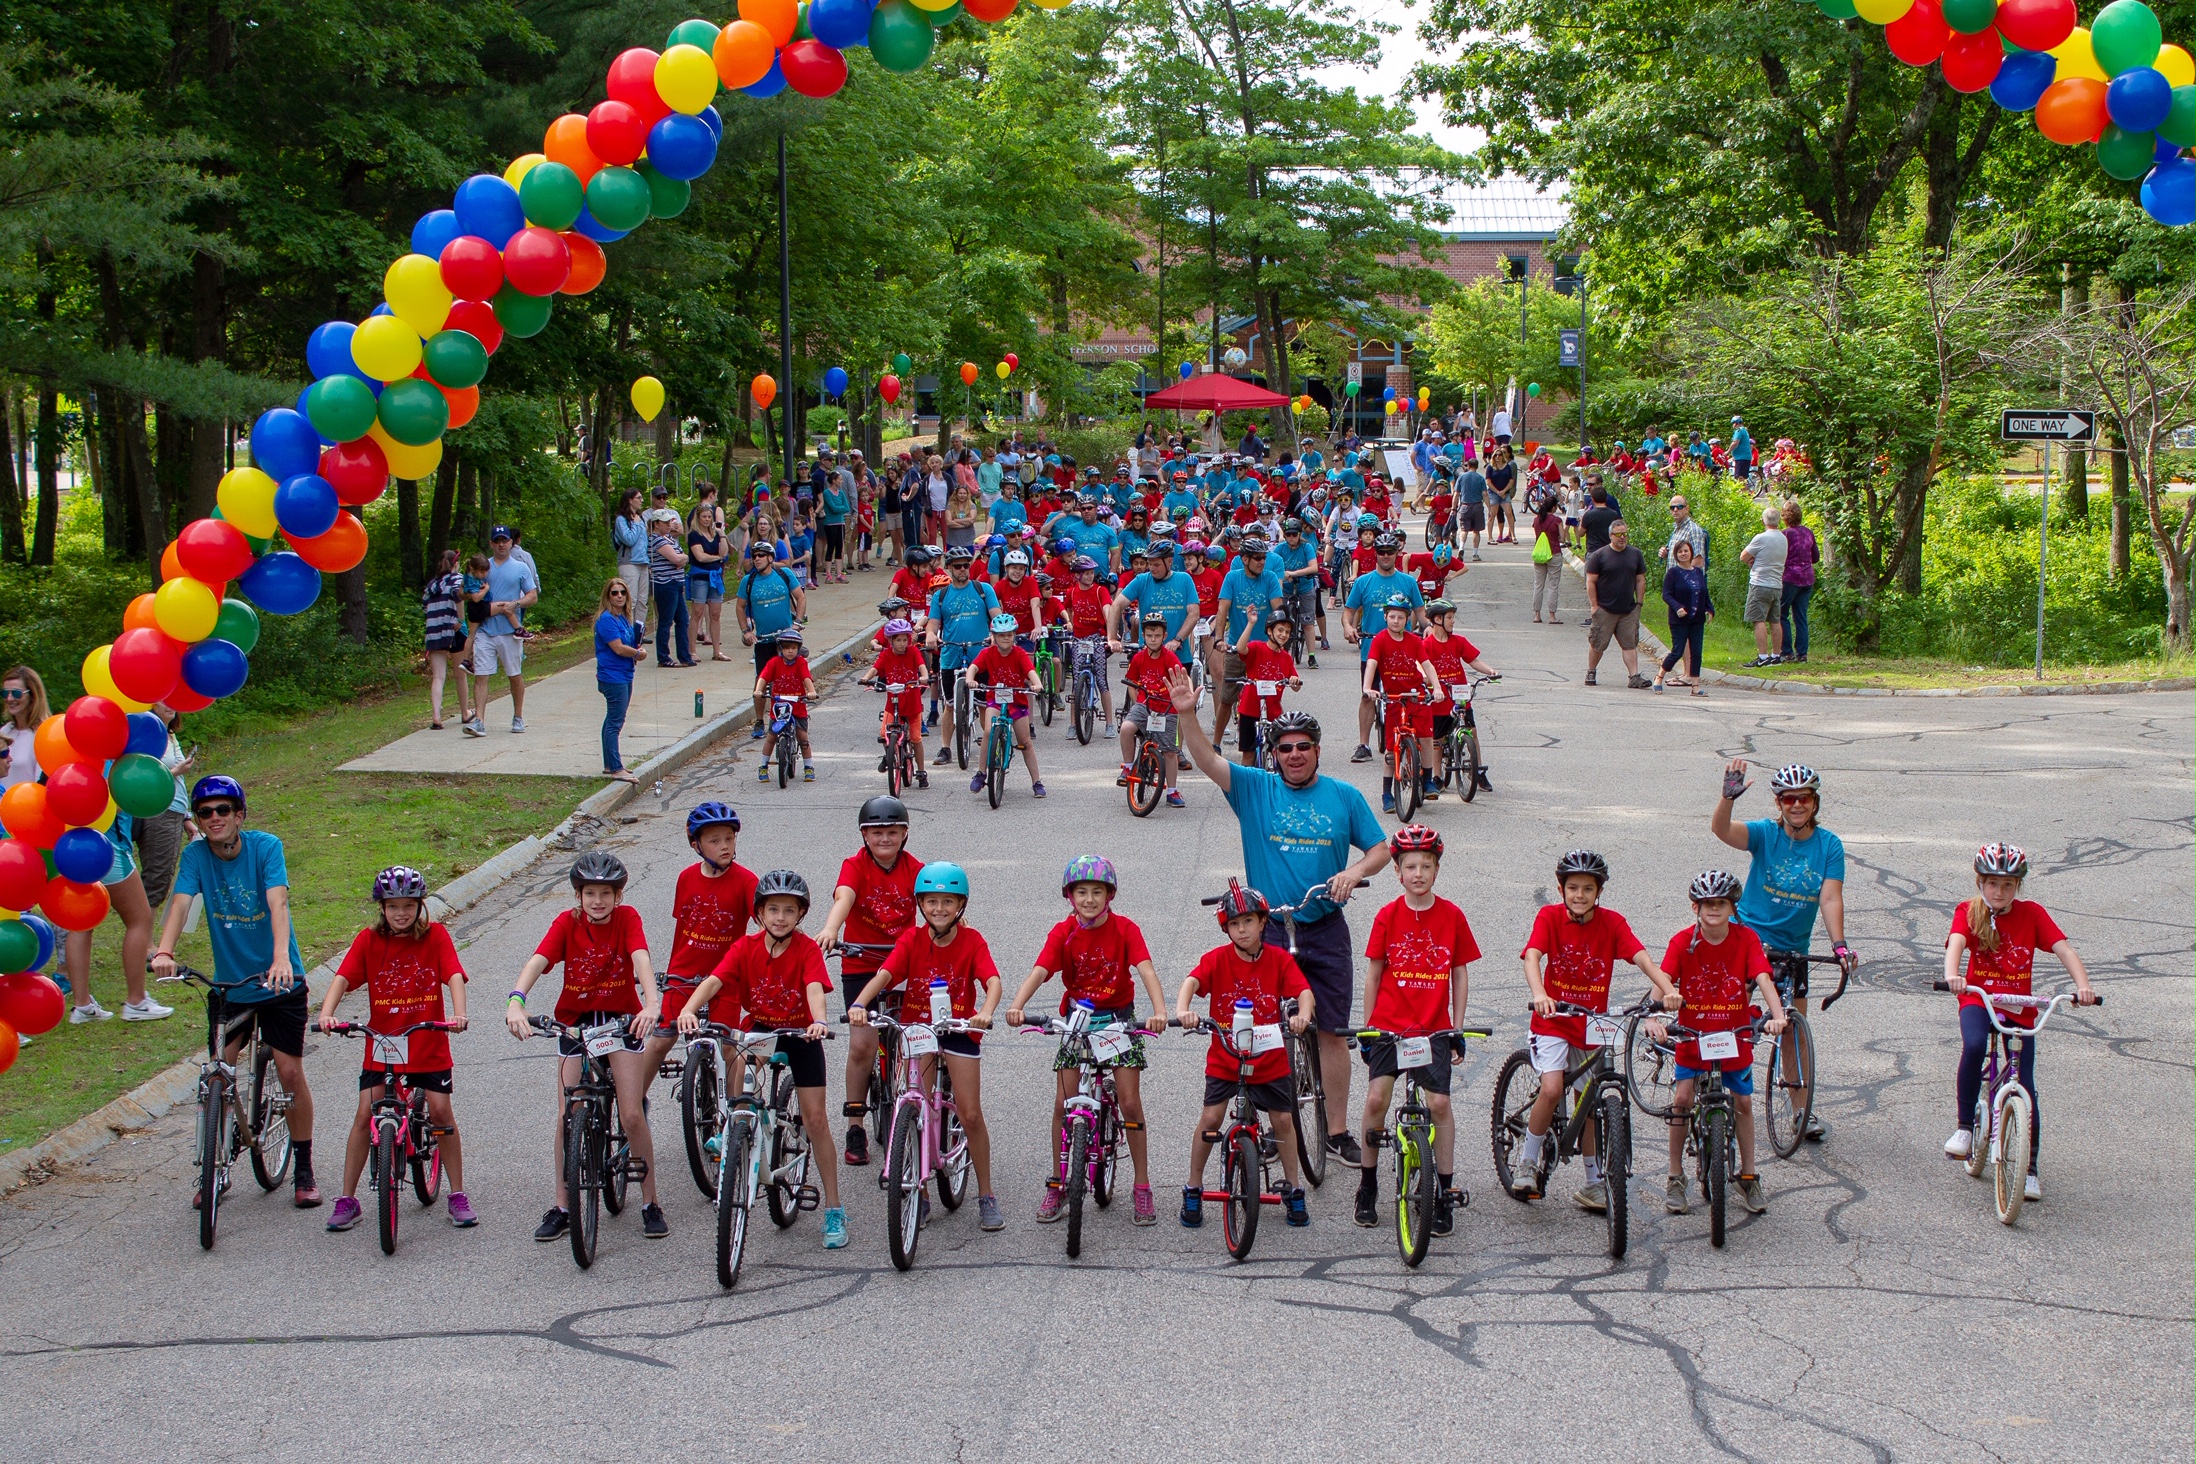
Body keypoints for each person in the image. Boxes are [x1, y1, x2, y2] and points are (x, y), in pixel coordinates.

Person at [1167, 681, 1390, 1166]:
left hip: (1325, 926)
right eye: (1285, 748)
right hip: (1267, 932)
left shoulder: (1344, 795)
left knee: (1331, 1031)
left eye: (1303, 748)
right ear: (1274, 754)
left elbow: (1381, 849)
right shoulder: (1254, 787)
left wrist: (1354, 873)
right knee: (1266, 1028)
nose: (1294, 756)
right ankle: (1276, 1123)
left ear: (1317, 750)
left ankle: (1334, 1131)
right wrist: (1187, 714)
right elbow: (1206, 760)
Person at [153, 776, 319, 1206]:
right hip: (231, 987)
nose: (214, 819)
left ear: (239, 815)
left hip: (279, 982)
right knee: (217, 1076)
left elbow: (277, 902)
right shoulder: (195, 856)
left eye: (223, 810)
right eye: (205, 812)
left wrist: (282, 958)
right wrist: (165, 950)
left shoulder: (265, 847)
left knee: (288, 1073)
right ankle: (215, 1166)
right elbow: (182, 902)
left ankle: (303, 1167)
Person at [677, 868, 847, 1248]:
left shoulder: (805, 949)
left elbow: (814, 988)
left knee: (816, 1119)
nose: (781, 917)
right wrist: (689, 1009)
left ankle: (834, 1209)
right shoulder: (744, 947)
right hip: (760, 1029)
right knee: (737, 1056)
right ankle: (733, 1124)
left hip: (801, 1034)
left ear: (800, 915)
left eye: (789, 910)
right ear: (759, 914)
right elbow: (714, 982)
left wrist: (818, 1020)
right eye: (773, 909)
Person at [507, 851, 667, 1242]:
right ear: (578, 895)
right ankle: (563, 1205)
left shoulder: (628, 919)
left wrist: (651, 1004)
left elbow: (640, 958)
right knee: (566, 1114)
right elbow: (538, 960)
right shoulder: (567, 922)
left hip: (619, 1019)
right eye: (590, 893)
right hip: (575, 1023)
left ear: (618, 895)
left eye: (606, 893)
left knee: (630, 1114)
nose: (598, 901)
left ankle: (650, 1202)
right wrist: (516, 1000)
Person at [1003, 856, 1169, 1226]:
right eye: (1082, 892)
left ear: (1109, 895)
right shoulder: (1064, 932)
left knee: (1128, 1102)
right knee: (1063, 1102)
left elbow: (1146, 970)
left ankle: (1141, 1185)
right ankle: (1058, 1182)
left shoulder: (1126, 929)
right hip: (1078, 1020)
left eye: (1097, 892)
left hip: (1118, 1021)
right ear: (1070, 896)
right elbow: (1041, 970)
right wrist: (1017, 1006)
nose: (1090, 899)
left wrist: (1158, 1011)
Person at [848, 862, 1007, 1233]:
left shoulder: (972, 941)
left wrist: (984, 1011)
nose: (939, 909)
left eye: (947, 902)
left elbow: (993, 980)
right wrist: (861, 1003)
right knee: (914, 1100)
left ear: (960, 906)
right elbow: (886, 974)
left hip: (957, 1029)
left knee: (969, 1113)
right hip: (918, 1027)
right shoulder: (911, 940)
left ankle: (986, 1193)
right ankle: (917, 1191)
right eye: (931, 901)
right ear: (920, 904)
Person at [317, 866, 475, 1232]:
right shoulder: (369, 941)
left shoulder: (434, 936)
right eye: (392, 906)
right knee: (363, 1115)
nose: (401, 913)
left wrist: (459, 1013)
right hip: (384, 1045)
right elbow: (342, 977)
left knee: (440, 1113)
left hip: (427, 1042)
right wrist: (327, 1014)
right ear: (381, 908)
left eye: (408, 905)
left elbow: (452, 974)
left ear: (420, 906)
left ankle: (457, 1194)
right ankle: (348, 1199)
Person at [1516, 850, 1674, 1209]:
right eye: (1573, 888)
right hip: (1554, 1019)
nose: (1580, 895)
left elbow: (1642, 957)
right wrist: (1540, 993)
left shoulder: (1612, 923)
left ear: (1599, 892)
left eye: (1588, 889)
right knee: (1553, 1087)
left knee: (1588, 1103)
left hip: (1593, 1024)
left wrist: (1669, 990)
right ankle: (1527, 1160)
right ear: (1561, 889)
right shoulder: (1549, 917)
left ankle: (1592, 1181)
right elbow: (1533, 956)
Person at [1941, 843, 2098, 1202]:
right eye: (1993, 883)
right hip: (1978, 999)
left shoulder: (2032, 914)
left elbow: (2063, 949)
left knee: (2025, 1084)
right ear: (1980, 882)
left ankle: (2029, 1169)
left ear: (2018, 887)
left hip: (2019, 1007)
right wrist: (1953, 976)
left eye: (2008, 885)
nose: (2000, 892)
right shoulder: (1968, 910)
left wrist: (2083, 986)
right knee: (1976, 1044)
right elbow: (1956, 944)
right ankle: (1965, 1127)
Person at [1711, 760, 1853, 1141]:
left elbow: (1830, 896)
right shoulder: (1764, 834)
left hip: (1793, 949)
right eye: (1788, 798)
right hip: (1750, 941)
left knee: (1792, 1030)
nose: (1796, 805)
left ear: (1814, 802)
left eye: (1803, 798)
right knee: (1729, 1014)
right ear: (1779, 803)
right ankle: (1714, 1093)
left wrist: (1839, 945)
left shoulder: (1829, 845)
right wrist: (1728, 798)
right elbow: (1721, 830)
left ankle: (1800, 1111)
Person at [1353, 825, 1479, 1237]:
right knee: (1376, 1098)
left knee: (1439, 1105)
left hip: (1431, 1028)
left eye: (1427, 865)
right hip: (1391, 1025)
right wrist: (1370, 1028)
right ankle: (1367, 1185)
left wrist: (1456, 1027)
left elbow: (1458, 975)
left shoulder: (1453, 916)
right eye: (1410, 866)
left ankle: (1442, 1191)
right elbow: (1373, 976)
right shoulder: (1387, 916)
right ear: (1398, 872)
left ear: (1437, 870)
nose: (1418, 873)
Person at [1644, 870, 1788, 1218]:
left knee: (1743, 1101)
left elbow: (1763, 977)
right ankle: (1675, 1176)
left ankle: (1749, 1175)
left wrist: (1777, 1014)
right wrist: (1653, 1015)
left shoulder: (1746, 939)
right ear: (1696, 907)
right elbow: (1663, 981)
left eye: (1721, 904)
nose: (1714, 910)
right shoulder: (1682, 942)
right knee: (1681, 1099)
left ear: (1731, 907)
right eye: (1708, 904)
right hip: (1693, 1036)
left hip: (1732, 1034)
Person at [1174, 881, 1312, 1228]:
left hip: (1269, 1059)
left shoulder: (1278, 960)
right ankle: (1193, 1185)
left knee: (1283, 1120)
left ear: (1263, 922)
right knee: (1211, 1119)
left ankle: (1294, 1189)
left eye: (1248, 922)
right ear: (1226, 929)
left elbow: (1303, 991)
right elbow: (1192, 982)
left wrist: (1302, 1016)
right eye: (1234, 924)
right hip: (1226, 1057)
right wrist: (1184, 1009)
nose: (1242, 930)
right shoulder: (1217, 960)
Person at [818, 797, 923, 1166]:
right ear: (864, 835)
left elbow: (934, 904)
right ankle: (855, 1124)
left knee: (918, 1039)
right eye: (877, 832)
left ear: (904, 834)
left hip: (903, 965)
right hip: (862, 963)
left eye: (892, 832)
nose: (884, 839)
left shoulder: (915, 868)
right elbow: (844, 897)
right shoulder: (855, 866)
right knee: (863, 1044)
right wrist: (832, 928)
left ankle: (920, 1110)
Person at [650, 803, 756, 1093]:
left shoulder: (746, 880)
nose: (724, 846)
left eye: (729, 838)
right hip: (683, 976)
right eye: (714, 840)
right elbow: (682, 932)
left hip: (725, 978)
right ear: (696, 845)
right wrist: (672, 975)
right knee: (660, 1040)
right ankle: (633, 1106)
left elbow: (767, 924)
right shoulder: (686, 878)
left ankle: (735, 1117)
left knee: (728, 1049)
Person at [61, 801, 167, 1024]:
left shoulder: (81, 767)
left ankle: (82, 1006)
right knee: (140, 920)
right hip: (110, 849)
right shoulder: (112, 766)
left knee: (82, 924)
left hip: (77, 850)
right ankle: (136, 1002)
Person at [1340, 535, 1421, 761]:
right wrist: (1348, 627)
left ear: (1397, 553)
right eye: (1381, 551)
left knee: (1407, 696)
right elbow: (1348, 613)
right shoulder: (1363, 582)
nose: (1386, 556)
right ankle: (1363, 745)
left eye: (1390, 552)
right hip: (1372, 649)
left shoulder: (1408, 582)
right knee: (1367, 696)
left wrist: (1429, 630)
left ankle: (1406, 737)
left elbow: (1422, 614)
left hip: (1403, 650)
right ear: (1375, 553)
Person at [925, 546, 1002, 764]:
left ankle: (990, 746)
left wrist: (996, 633)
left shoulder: (983, 589)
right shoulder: (941, 596)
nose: (962, 570)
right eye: (957, 566)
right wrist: (931, 635)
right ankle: (945, 748)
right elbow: (933, 623)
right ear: (949, 568)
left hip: (980, 654)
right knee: (950, 704)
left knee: (984, 703)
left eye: (966, 565)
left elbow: (996, 615)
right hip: (951, 653)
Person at [1362, 594, 1437, 813]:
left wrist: (1437, 687)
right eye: (1392, 616)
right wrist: (1368, 688)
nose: (1396, 621)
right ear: (1385, 617)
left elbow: (1427, 665)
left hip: (1414, 695)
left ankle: (1428, 779)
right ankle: (1387, 793)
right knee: (1390, 748)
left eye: (1401, 617)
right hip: (1393, 698)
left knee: (1426, 736)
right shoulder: (1380, 640)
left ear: (1408, 619)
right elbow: (1372, 664)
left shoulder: (1414, 641)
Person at [463, 527, 538, 737]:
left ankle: (518, 716)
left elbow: (533, 596)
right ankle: (479, 720)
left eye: (505, 540)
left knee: (514, 675)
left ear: (512, 543)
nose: (501, 544)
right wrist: (472, 598)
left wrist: (516, 604)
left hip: (509, 631)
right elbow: (463, 591)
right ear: (491, 543)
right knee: (481, 675)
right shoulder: (482, 566)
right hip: (485, 630)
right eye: (497, 541)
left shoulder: (520, 567)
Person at [1421, 598, 1498, 793]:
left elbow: (1473, 660)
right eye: (1450, 617)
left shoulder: (1458, 641)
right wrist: (1426, 680)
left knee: (1472, 731)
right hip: (1440, 698)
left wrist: (1490, 671)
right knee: (1436, 740)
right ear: (1437, 619)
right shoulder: (1427, 645)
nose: (1453, 621)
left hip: (1459, 695)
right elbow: (1422, 665)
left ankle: (1477, 770)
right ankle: (1437, 776)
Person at [969, 612, 1045, 798]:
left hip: (1017, 700)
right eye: (1001, 635)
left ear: (1014, 636)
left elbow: (1030, 671)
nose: (1005, 639)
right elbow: (973, 667)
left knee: (1025, 742)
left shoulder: (1019, 653)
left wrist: (1037, 684)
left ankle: (1036, 781)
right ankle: (981, 772)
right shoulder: (987, 653)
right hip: (996, 698)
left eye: (1009, 635)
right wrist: (971, 679)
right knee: (988, 731)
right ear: (994, 636)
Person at [736, 539, 806, 735]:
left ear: (770, 558)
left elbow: (800, 597)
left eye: (761, 555)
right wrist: (746, 631)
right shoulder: (748, 581)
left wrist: (798, 622)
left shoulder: (784, 574)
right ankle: (759, 720)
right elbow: (740, 607)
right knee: (762, 679)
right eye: (754, 555)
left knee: (792, 676)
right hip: (763, 639)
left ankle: (795, 714)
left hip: (786, 638)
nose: (756, 559)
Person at [131, 701, 194, 913]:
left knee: (162, 876)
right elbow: (141, 777)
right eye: (162, 699)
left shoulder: (170, 735)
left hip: (175, 810)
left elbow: (178, 783)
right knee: (157, 876)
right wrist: (176, 771)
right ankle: (145, 942)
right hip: (158, 811)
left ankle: (143, 937)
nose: (170, 704)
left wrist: (186, 818)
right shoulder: (146, 734)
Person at [1584, 520, 1649, 689]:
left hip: (1628, 609)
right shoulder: (1600, 555)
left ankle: (1634, 676)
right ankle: (1591, 671)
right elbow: (1591, 581)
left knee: (1630, 644)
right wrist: (1594, 606)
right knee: (1598, 644)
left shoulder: (1635, 554)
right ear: (1611, 536)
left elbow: (1640, 579)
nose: (1622, 538)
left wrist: (1639, 603)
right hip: (1605, 609)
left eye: (1625, 534)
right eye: (1619, 534)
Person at [593, 579, 645, 782]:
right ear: (608, 596)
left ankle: (609, 763)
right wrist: (637, 654)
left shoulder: (623, 618)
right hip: (612, 676)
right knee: (615, 721)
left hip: (625, 673)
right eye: (614, 593)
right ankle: (616, 767)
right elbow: (618, 648)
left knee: (614, 719)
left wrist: (636, 649)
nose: (619, 596)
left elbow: (629, 643)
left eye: (622, 592)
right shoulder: (606, 620)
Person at [1235, 609, 1302, 767]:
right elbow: (1240, 648)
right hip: (1249, 710)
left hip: (1273, 712)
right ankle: (1247, 786)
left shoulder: (1286, 657)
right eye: (1280, 630)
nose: (1283, 635)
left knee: (1277, 751)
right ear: (1269, 631)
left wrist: (1294, 681)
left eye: (1287, 631)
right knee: (1248, 753)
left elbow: (1296, 685)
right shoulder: (1257, 647)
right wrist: (1251, 623)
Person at [754, 626, 817, 783]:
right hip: (779, 706)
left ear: (798, 649)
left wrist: (811, 691)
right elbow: (763, 678)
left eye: (794, 648)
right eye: (787, 648)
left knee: (802, 738)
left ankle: (808, 767)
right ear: (780, 649)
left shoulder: (801, 663)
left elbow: (806, 678)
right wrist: (758, 690)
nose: (790, 651)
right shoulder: (774, 662)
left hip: (797, 705)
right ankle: (763, 766)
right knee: (771, 736)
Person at [1654, 538, 1711, 696]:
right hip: (1679, 619)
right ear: (1676, 555)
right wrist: (1677, 607)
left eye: (1686, 551)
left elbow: (1704, 593)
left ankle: (1695, 686)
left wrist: (1709, 609)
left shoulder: (1698, 572)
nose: (1683, 554)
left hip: (1697, 619)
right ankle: (1659, 677)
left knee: (1697, 652)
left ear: (1691, 552)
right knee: (1677, 651)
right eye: (1680, 551)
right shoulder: (1673, 573)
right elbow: (1666, 595)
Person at [422, 550, 472, 730]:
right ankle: (465, 712)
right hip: (454, 631)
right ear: (455, 564)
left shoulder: (432, 585)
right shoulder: (457, 580)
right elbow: (459, 598)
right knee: (460, 674)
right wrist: (460, 620)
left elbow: (425, 607)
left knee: (438, 676)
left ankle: (436, 716)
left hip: (434, 633)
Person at [1739, 505, 1789, 667]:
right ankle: (1776, 655)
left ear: (1763, 521)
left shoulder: (1761, 538)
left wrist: (1751, 562)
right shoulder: (1783, 538)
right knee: (1775, 620)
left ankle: (1762, 656)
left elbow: (1743, 556)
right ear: (1779, 521)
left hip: (1760, 583)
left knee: (1758, 619)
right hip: (1776, 584)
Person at [686, 503, 731, 656]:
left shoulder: (715, 534)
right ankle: (692, 650)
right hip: (700, 576)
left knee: (716, 614)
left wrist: (722, 534)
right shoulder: (694, 535)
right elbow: (700, 556)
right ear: (698, 518)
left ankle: (717, 651)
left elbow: (724, 553)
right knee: (697, 613)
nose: (706, 519)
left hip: (715, 577)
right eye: (703, 517)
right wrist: (717, 558)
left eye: (709, 517)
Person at [1779, 500, 1818, 665]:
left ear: (1785, 518)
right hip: (1807, 578)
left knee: (1781, 614)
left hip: (1790, 578)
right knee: (1801, 616)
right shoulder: (1808, 533)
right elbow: (1815, 557)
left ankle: (1787, 652)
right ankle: (1802, 653)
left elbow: (1779, 557)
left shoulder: (1785, 534)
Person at [612, 487, 650, 634]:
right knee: (631, 600)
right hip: (629, 563)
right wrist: (635, 524)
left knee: (642, 601)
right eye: (638, 498)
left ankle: (639, 631)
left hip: (643, 563)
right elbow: (629, 540)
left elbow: (645, 542)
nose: (641, 501)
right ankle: (627, 631)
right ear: (630, 500)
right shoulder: (622, 520)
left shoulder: (641, 519)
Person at [2, 664, 45, 789]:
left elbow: (42, 784)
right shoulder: (5, 732)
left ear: (32, 695)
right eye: (5, 693)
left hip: (26, 806)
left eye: (16, 693)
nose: (9, 698)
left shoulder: (43, 734)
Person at [1529, 487, 1564, 625]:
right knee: (1553, 585)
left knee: (1538, 585)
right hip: (1554, 553)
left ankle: (1536, 614)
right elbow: (1561, 538)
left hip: (1539, 555)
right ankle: (1552, 615)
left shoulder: (1536, 520)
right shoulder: (1557, 520)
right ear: (1554, 507)